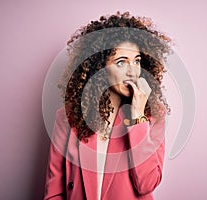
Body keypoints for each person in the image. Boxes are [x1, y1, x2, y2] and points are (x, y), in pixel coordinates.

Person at [44, 11, 171, 200]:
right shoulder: (68, 117)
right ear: (100, 68)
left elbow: (147, 184)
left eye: (136, 61)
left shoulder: (153, 116)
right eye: (121, 62)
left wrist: (137, 117)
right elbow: (54, 191)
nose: (132, 71)